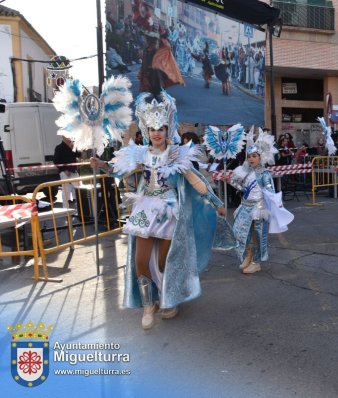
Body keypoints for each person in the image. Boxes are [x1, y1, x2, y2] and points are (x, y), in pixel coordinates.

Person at [90, 91, 234, 330]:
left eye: (161, 127)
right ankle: (148, 305)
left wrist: (215, 202)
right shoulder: (140, 153)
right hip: (145, 208)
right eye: (153, 128)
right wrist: (102, 165)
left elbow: (195, 180)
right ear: (147, 130)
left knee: (166, 261)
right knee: (141, 260)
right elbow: (119, 171)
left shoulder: (178, 154)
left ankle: (169, 299)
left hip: (170, 211)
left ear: (168, 130)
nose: (157, 132)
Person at [226, 129, 293, 274]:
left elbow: (270, 193)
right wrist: (231, 182)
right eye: (249, 156)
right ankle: (248, 256)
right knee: (241, 233)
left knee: (257, 236)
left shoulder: (265, 175)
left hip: (259, 209)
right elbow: (244, 189)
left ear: (261, 157)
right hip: (245, 207)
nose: (251, 159)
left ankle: (256, 262)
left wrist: (274, 206)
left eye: (254, 156)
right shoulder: (247, 172)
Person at [53, 136, 80, 207]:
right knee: (66, 192)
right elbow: (56, 161)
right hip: (65, 172)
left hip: (73, 171)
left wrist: (74, 147)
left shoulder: (72, 146)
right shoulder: (59, 147)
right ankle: (66, 211)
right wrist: (64, 170)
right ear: (63, 137)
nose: (69, 138)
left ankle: (79, 209)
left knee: (78, 191)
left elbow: (78, 155)